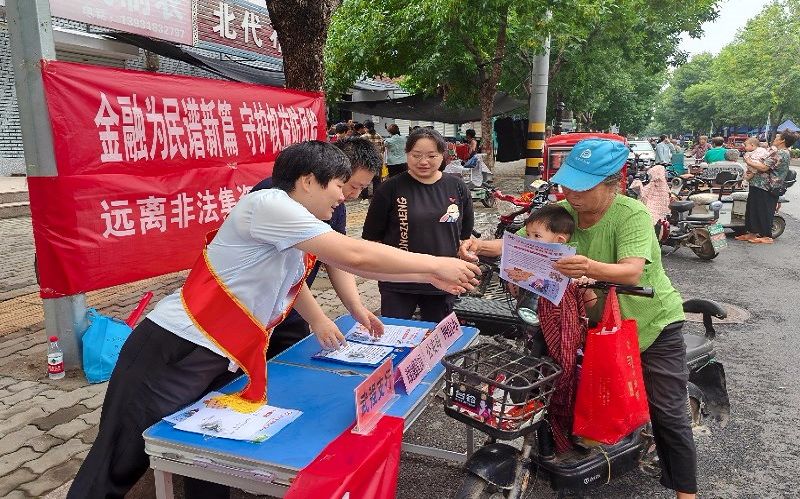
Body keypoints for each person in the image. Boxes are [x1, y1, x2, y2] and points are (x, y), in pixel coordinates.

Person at [68, 141, 480, 499]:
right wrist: (435, 262)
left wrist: (426, 275)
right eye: (339, 186)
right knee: (120, 457)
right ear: (308, 181)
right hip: (175, 348)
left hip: (222, 353)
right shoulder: (269, 204)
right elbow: (354, 254)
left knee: (205, 447)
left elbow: (333, 271)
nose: (343, 198)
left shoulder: (297, 221)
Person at [460, 138, 697, 499]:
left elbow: (631, 271)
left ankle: (686, 494)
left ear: (612, 184)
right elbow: (522, 244)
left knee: (668, 413)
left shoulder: (631, 214)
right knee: (562, 385)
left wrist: (588, 266)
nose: (571, 193)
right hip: (593, 326)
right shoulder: (562, 211)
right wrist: (478, 246)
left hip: (650, 325)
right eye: (568, 183)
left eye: (582, 187)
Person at [250, 137, 382, 359]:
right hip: (251, 311)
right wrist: (318, 318)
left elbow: (336, 259)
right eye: (351, 186)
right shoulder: (274, 199)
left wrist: (355, 306)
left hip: (293, 309)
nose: (354, 195)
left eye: (362, 188)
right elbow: (352, 255)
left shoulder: (333, 205)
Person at [363, 128, 474, 322]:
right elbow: (372, 238)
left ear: (443, 155)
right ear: (407, 154)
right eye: (416, 155)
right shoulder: (390, 188)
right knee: (396, 332)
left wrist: (467, 252)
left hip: (443, 280)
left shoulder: (457, 186)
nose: (423, 162)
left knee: (438, 334)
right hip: (398, 280)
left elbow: (465, 235)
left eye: (431, 156)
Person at [519, 204, 596, 453]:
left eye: (537, 236)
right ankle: (542, 432)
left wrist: (584, 284)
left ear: (560, 241)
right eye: (528, 235)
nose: (530, 241)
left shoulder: (572, 269)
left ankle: (568, 435)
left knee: (566, 383)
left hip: (565, 341)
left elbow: (590, 303)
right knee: (536, 381)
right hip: (535, 335)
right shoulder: (531, 265)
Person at [736, 131, 797, 244]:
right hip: (759, 184)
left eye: (777, 137)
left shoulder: (781, 153)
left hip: (767, 186)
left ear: (782, 140)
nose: (774, 139)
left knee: (764, 211)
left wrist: (748, 161)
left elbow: (764, 167)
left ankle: (766, 236)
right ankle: (752, 233)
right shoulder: (776, 151)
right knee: (752, 209)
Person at [360, 120, 385, 199]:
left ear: (365, 128)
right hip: (378, 161)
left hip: (367, 162)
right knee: (377, 180)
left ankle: (365, 198)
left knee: (364, 180)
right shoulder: (379, 136)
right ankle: (376, 197)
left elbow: (360, 151)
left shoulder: (363, 137)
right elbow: (383, 149)